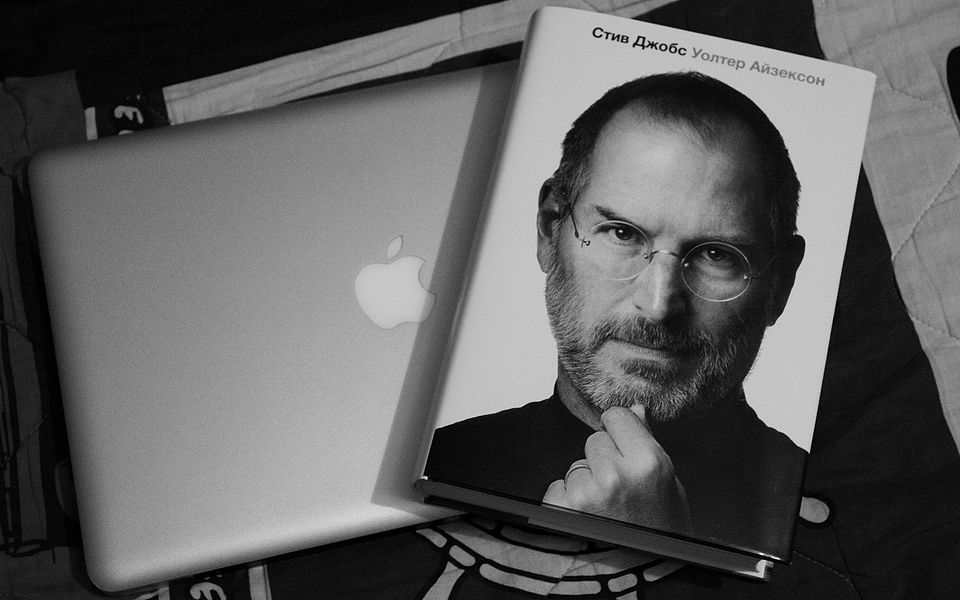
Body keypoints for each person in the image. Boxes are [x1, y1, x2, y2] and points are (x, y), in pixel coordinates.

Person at [424, 71, 807, 556]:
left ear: (780, 283)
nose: (659, 304)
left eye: (717, 255)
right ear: (550, 231)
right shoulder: (431, 463)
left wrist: (651, 543)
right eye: (622, 233)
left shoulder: (815, 512)